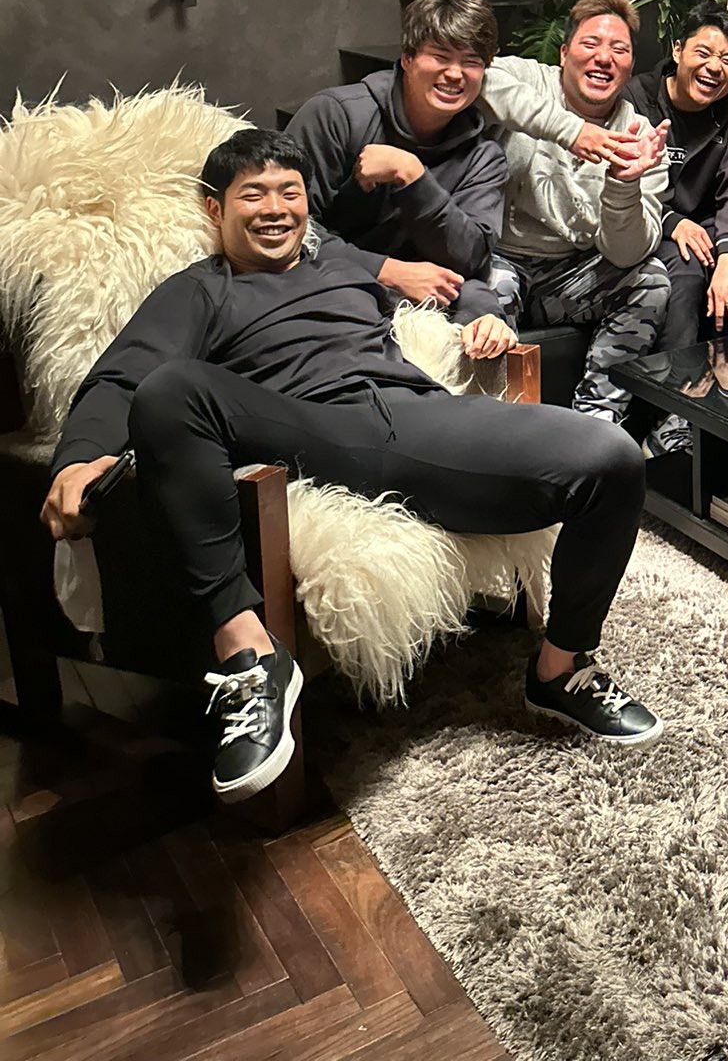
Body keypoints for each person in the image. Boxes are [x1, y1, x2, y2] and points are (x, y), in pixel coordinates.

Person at [41, 131, 663, 801]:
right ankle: (251, 660)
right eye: (253, 194)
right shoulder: (195, 291)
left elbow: (452, 287)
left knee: (611, 458)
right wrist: (77, 459)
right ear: (214, 209)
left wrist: (486, 319)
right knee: (171, 390)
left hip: (418, 419)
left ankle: (559, 668)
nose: (275, 208)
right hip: (306, 427)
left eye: (289, 192)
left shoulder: (340, 262)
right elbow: (121, 379)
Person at [480, 0, 672, 423]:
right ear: (564, 53)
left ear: (630, 66)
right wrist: (573, 131)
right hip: (499, 258)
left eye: (619, 49)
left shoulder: (639, 135)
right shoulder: (528, 79)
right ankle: (497, 430)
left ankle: (597, 421)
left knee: (651, 279)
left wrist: (623, 183)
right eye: (591, 44)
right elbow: (478, 80)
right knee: (495, 284)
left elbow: (627, 253)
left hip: (568, 275)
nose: (604, 57)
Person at [286, 0, 506, 309]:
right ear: (407, 59)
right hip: (328, 279)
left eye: (471, 62)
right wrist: (386, 270)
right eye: (440, 56)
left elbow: (470, 259)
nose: (455, 73)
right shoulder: (336, 115)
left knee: (483, 304)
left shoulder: (484, 156)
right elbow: (289, 226)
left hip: (425, 291)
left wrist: (412, 175)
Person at [628, 2, 728, 347]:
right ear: (677, 50)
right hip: (650, 222)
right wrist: (670, 221)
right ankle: (676, 376)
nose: (714, 67)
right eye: (703, 53)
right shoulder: (637, 98)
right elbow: (618, 182)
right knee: (685, 273)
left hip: (711, 222)